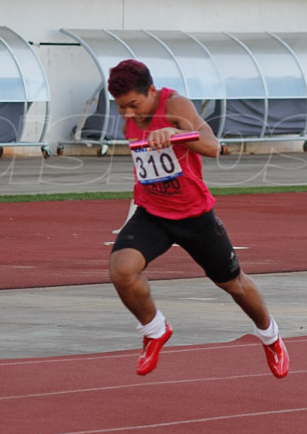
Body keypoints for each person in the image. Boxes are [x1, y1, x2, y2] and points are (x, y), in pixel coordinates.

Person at [106, 59, 289, 378]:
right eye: (121, 108)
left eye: (133, 105)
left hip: (194, 216)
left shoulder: (175, 104)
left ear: (151, 91)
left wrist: (176, 132)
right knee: (122, 270)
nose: (128, 115)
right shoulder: (130, 117)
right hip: (152, 214)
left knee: (235, 285)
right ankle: (155, 330)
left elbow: (213, 146)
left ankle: (270, 337)